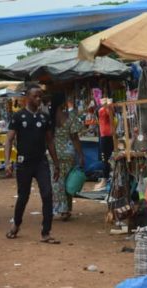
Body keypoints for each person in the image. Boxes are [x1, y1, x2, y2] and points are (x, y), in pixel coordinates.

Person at [3, 83, 61, 244]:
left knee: (48, 194)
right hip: (24, 163)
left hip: (41, 162)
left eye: (40, 95)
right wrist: (7, 162)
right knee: (23, 196)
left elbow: (50, 142)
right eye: (35, 95)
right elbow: (9, 140)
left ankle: (46, 232)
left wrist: (56, 164)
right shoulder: (18, 116)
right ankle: (16, 224)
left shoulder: (44, 118)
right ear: (27, 97)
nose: (38, 98)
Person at [50, 92, 85, 221]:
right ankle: (66, 210)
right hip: (68, 153)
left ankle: (60, 208)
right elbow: (75, 138)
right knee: (67, 181)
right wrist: (81, 154)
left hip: (52, 154)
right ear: (63, 103)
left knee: (56, 182)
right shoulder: (69, 117)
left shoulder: (48, 118)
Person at [96, 98, 115, 191]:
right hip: (104, 135)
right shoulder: (102, 109)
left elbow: (111, 117)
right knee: (105, 159)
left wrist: (108, 106)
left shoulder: (108, 109)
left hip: (107, 136)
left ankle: (105, 180)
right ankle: (104, 180)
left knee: (106, 159)